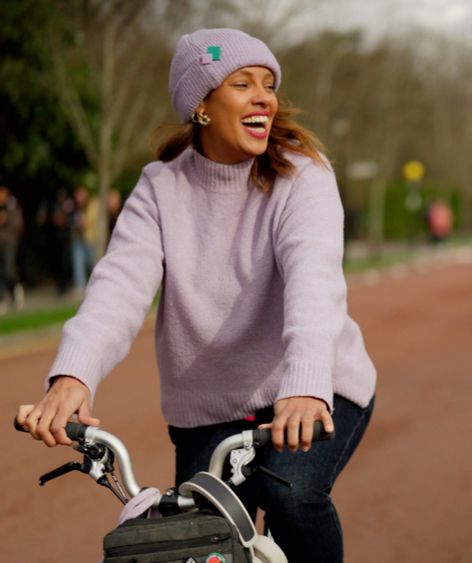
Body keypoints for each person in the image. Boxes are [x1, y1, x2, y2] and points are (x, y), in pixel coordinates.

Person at [17, 28, 377, 563]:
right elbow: (117, 288)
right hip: (210, 410)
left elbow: (313, 285)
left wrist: (304, 386)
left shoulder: (302, 177)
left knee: (291, 494)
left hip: (313, 384)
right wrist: (73, 376)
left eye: (268, 84)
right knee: (193, 536)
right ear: (202, 106)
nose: (264, 98)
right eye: (242, 84)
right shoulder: (160, 188)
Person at [0, 184, 25, 314]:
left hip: (10, 242)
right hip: (1, 244)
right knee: (2, 273)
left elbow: (17, 224)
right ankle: (4, 298)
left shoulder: (12, 205)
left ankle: (17, 289)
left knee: (9, 269)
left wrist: (5, 221)